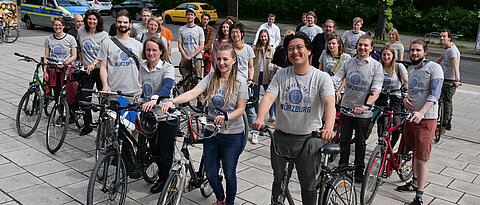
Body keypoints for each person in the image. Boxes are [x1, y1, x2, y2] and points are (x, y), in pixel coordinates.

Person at [252, 32, 335, 205]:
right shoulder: (282, 75)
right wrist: (260, 117)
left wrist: (328, 128)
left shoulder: (321, 77)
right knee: (279, 182)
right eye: (290, 49)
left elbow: (329, 104)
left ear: (309, 51)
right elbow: (268, 97)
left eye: (299, 48)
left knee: (308, 186)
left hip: (309, 139)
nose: (295, 52)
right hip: (282, 137)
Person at [161, 44, 248, 205]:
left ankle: (229, 202)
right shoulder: (212, 76)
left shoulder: (240, 81)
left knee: (229, 173)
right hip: (211, 131)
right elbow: (194, 92)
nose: (221, 63)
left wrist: (226, 117)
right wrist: (172, 100)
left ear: (233, 60)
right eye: (219, 59)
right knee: (212, 174)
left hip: (232, 135)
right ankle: (220, 198)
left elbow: (241, 109)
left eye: (225, 59)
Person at [396, 39, 443, 205]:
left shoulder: (434, 68)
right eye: (412, 50)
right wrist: (405, 100)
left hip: (426, 119)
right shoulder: (412, 69)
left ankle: (419, 196)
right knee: (414, 152)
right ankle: (414, 182)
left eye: (418, 50)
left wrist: (422, 113)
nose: (414, 53)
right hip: (411, 117)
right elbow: (410, 91)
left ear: (425, 52)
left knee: (422, 158)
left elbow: (435, 94)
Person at [332, 34, 383, 182]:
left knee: (360, 142)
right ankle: (342, 167)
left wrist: (365, 105)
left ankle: (359, 170)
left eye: (366, 45)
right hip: (347, 108)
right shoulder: (349, 62)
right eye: (360, 45)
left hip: (363, 112)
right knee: (344, 140)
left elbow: (376, 90)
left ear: (371, 48)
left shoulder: (375, 66)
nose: (362, 48)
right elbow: (336, 79)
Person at [138, 36, 177, 194]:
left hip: (166, 116)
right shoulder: (142, 66)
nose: (151, 53)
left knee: (165, 152)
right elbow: (145, 89)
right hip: (150, 115)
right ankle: (159, 171)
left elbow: (166, 87)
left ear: (161, 51)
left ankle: (164, 180)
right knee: (154, 150)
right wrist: (140, 99)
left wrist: (155, 99)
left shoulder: (167, 68)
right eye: (148, 49)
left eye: (155, 50)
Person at [77, 9, 109, 135]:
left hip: (100, 69)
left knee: (104, 98)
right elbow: (80, 47)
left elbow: (105, 54)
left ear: (98, 21)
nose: (92, 21)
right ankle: (88, 125)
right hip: (87, 71)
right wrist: (81, 58)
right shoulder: (81, 32)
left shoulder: (104, 35)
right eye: (89, 19)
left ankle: (103, 123)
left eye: (94, 19)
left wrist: (94, 63)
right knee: (85, 98)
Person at [98, 9, 142, 97]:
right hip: (114, 92)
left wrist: (141, 86)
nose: (122, 25)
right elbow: (103, 67)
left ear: (130, 24)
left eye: (125, 22)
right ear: (115, 23)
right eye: (119, 22)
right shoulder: (106, 43)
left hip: (134, 92)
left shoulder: (138, 45)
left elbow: (141, 68)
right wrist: (105, 85)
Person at [230, 23, 259, 143]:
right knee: (232, 107)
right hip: (231, 82)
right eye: (233, 32)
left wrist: (251, 80)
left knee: (249, 109)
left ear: (241, 34)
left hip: (244, 83)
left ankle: (254, 132)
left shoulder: (247, 48)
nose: (235, 34)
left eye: (237, 32)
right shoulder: (229, 48)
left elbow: (250, 66)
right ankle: (234, 129)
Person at [375, 45, 408, 148]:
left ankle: (390, 147)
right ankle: (381, 143)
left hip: (395, 97)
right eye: (384, 54)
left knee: (397, 126)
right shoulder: (378, 66)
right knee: (380, 122)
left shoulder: (398, 67)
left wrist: (407, 87)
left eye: (388, 54)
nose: (386, 57)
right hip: (381, 96)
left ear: (393, 56)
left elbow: (406, 80)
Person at [43, 17, 77, 100]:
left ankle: (69, 108)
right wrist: (45, 71)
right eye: (55, 25)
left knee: (69, 91)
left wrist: (65, 63)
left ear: (63, 26)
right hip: (53, 69)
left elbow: (74, 55)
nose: (57, 27)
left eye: (59, 25)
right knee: (57, 91)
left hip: (66, 69)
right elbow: (46, 56)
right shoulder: (49, 39)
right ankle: (59, 109)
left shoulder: (70, 39)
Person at [436, 29, 461, 131]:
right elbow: (440, 60)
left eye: (444, 36)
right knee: (444, 101)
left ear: (449, 38)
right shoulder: (447, 48)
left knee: (447, 102)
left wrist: (457, 80)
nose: (442, 38)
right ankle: (447, 122)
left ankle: (444, 124)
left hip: (450, 81)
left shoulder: (452, 51)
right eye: (441, 36)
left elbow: (456, 66)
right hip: (444, 78)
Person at [252, 29, 276, 134]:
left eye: (265, 37)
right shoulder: (254, 49)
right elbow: (251, 64)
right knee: (256, 97)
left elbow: (273, 65)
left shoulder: (272, 50)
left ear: (268, 37)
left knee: (271, 97)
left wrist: (272, 77)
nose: (263, 38)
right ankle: (259, 116)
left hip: (267, 76)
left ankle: (271, 114)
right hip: (257, 75)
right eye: (262, 37)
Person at [319, 34, 351, 101]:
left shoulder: (346, 57)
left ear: (338, 44)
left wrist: (339, 91)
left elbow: (346, 77)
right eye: (329, 43)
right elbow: (320, 71)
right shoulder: (324, 53)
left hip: (339, 90)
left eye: (333, 43)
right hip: (326, 87)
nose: (331, 46)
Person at [178, 8, 205, 82]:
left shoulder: (199, 29)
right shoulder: (181, 29)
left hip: (197, 59)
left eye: (191, 15)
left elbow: (201, 45)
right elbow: (180, 45)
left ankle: (199, 94)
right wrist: (186, 56)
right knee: (186, 80)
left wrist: (192, 56)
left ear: (194, 16)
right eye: (188, 15)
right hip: (184, 59)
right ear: (186, 16)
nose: (189, 16)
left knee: (198, 80)